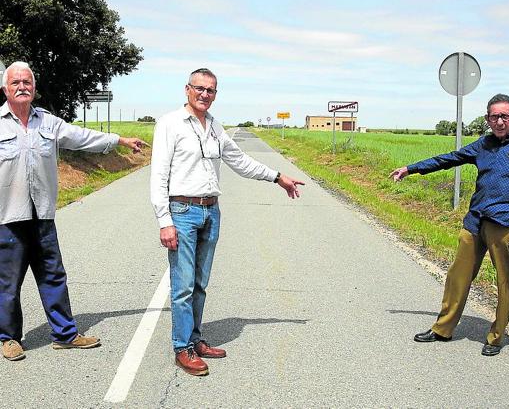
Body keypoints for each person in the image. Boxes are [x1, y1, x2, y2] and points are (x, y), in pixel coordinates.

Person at [150, 68, 305, 376]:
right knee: (182, 286)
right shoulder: (170, 124)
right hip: (182, 211)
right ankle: (182, 348)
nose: (205, 94)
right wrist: (163, 220)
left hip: (211, 211)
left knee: (200, 284)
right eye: (199, 88)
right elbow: (158, 176)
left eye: (210, 90)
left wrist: (277, 177)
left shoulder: (216, 128)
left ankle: (195, 339)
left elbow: (241, 162)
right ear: (187, 90)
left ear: (215, 94)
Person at [0, 61, 146, 361]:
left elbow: (83, 137)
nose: (22, 87)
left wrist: (119, 139)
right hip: (7, 218)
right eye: (15, 82)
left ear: (35, 88)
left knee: (54, 276)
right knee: (7, 284)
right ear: (5, 89)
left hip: (42, 217)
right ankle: (8, 338)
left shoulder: (49, 123)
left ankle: (65, 335)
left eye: (27, 82)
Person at [390, 93, 509, 356]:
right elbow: (449, 158)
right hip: (475, 220)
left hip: (505, 224)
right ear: (487, 119)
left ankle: (496, 337)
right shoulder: (483, 145)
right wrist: (411, 168)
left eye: (505, 116)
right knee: (457, 276)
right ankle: (443, 328)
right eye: (494, 116)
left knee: (504, 281)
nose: (499, 121)